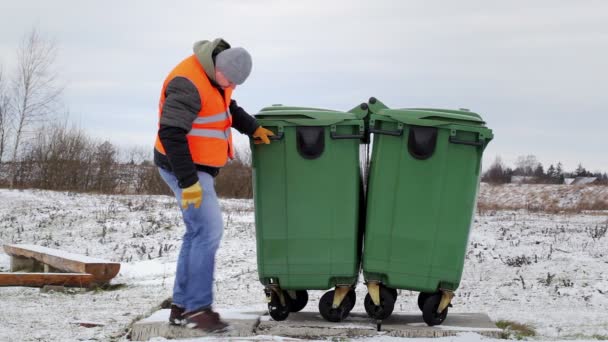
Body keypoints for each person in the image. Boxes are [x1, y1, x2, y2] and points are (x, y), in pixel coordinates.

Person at [153, 38, 274, 333]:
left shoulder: (216, 79)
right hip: (183, 166)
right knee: (208, 232)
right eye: (229, 79)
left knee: (196, 233)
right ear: (218, 67)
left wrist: (252, 127)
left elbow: (225, 108)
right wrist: (189, 182)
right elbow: (170, 134)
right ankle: (199, 309)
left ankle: (182, 308)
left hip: (197, 168)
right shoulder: (188, 82)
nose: (230, 85)